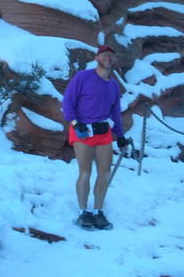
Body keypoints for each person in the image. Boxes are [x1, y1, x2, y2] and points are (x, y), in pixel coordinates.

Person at [62, 45, 128, 230]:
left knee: (105, 173)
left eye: (111, 55)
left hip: (103, 132)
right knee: (85, 172)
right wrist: (75, 123)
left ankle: (98, 212)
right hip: (82, 131)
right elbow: (68, 101)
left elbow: (116, 113)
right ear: (97, 57)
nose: (108, 57)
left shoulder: (114, 85)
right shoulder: (83, 77)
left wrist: (120, 136)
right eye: (105, 54)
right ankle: (84, 213)